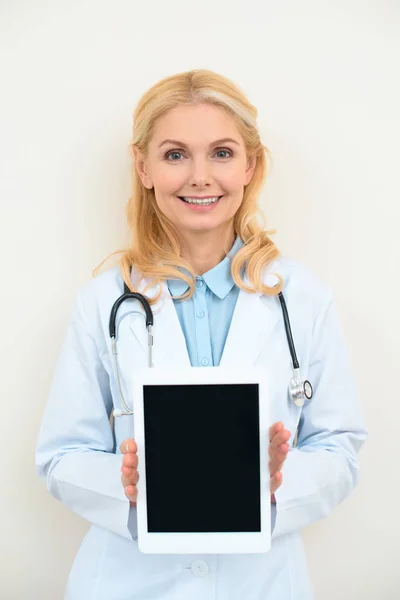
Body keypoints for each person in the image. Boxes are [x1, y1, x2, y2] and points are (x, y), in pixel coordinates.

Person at [35, 68, 367, 600]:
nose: (200, 176)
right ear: (142, 167)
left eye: (221, 152)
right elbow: (61, 456)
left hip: (261, 582)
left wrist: (279, 483)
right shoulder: (103, 302)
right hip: (127, 580)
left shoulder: (302, 298)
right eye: (174, 155)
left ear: (250, 165)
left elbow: (339, 446)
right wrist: (127, 484)